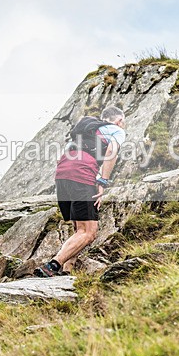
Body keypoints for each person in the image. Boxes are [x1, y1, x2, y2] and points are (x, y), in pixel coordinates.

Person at [35, 106, 126, 277]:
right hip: (81, 173)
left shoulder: (86, 129)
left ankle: (67, 270)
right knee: (88, 232)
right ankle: (53, 265)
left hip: (63, 174)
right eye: (124, 122)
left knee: (80, 228)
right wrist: (102, 181)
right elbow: (111, 151)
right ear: (119, 121)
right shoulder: (116, 130)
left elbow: (60, 157)